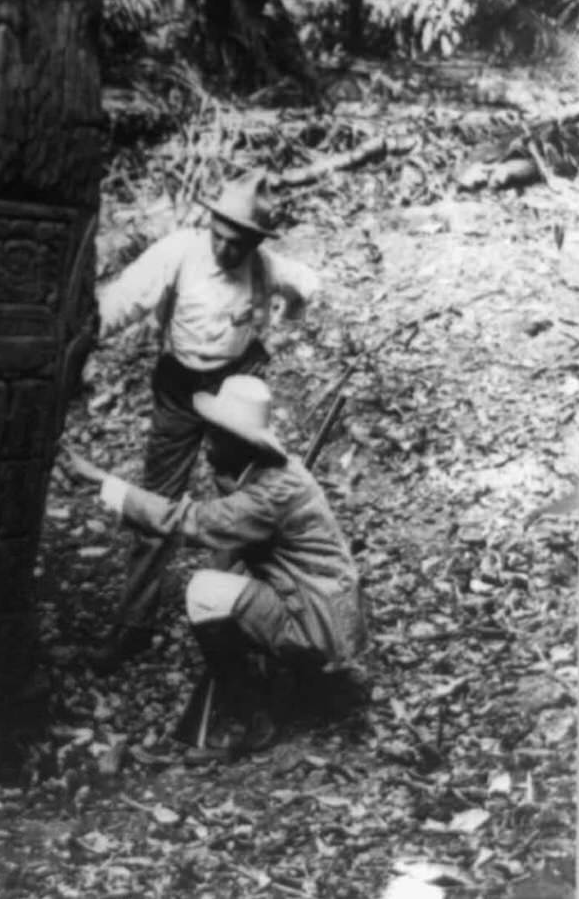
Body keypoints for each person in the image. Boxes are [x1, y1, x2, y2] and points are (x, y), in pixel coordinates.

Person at [93, 172, 319, 669]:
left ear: (255, 243)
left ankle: (230, 617)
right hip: (178, 387)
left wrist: (282, 329)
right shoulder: (180, 252)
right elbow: (123, 300)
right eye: (219, 235)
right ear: (209, 223)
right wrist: (83, 337)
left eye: (237, 244)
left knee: (239, 504)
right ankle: (133, 625)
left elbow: (304, 286)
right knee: (158, 499)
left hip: (232, 390)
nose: (225, 249)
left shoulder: (265, 266)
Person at [93, 375, 368, 756]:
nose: (208, 443)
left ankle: (249, 716)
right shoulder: (266, 477)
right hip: (325, 608)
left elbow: (187, 522)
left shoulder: (268, 494)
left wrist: (103, 485)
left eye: (217, 435)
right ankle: (287, 677)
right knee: (225, 579)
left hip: (321, 623)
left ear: (240, 444)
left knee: (204, 592)